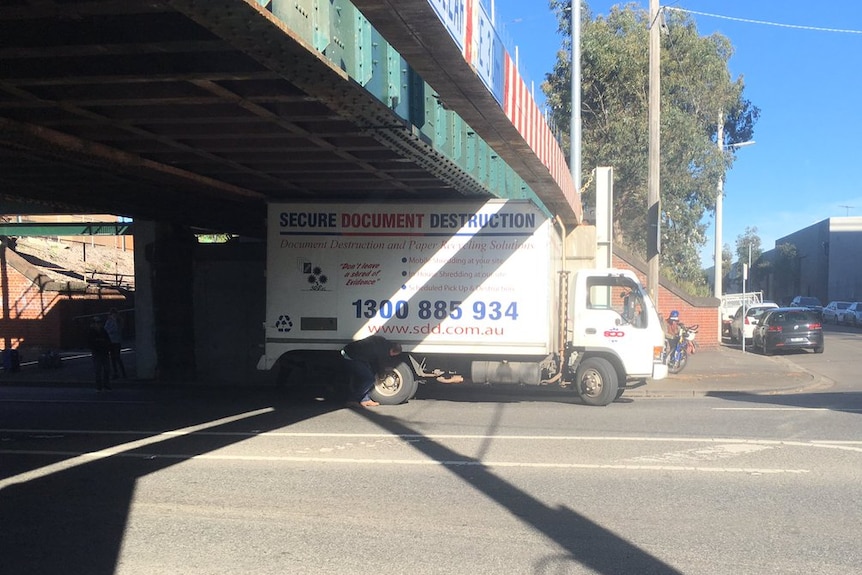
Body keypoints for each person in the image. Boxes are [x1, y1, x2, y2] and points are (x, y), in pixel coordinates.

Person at [340, 335, 403, 407]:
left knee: (369, 375)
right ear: (392, 351)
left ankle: (365, 400)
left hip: (356, 354)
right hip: (351, 356)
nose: (391, 356)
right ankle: (352, 400)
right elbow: (380, 366)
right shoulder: (383, 352)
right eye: (393, 355)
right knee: (369, 379)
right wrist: (382, 376)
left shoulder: (383, 342)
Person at [87, 316, 112, 391]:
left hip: (104, 352)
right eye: (97, 323)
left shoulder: (103, 331)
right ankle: (99, 386)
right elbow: (91, 343)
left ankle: (105, 384)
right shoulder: (91, 332)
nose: (98, 324)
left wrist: (107, 347)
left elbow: (108, 340)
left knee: (106, 369)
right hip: (97, 352)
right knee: (98, 370)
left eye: (99, 323)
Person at [103, 308, 127, 379]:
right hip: (112, 341)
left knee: (117, 357)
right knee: (113, 358)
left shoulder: (118, 321)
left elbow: (117, 329)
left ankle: (122, 373)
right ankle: (116, 373)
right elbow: (106, 329)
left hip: (116, 341)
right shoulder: (109, 321)